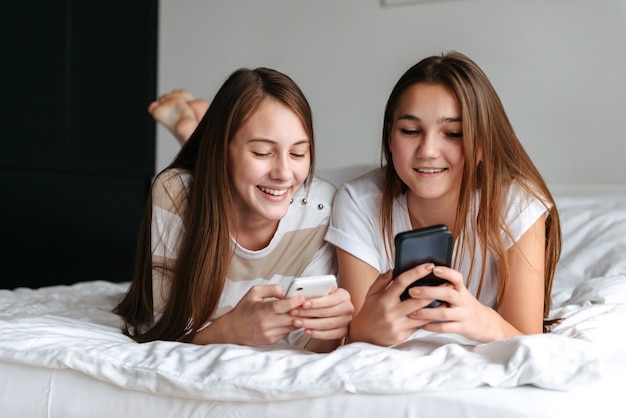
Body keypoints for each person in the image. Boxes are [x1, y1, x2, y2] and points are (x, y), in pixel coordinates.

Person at [325, 51, 562, 346]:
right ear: (389, 136)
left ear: (482, 144)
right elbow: (354, 334)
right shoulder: (358, 201)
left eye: (452, 133)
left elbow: (529, 339)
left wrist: (481, 320)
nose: (427, 150)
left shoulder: (517, 205)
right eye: (411, 131)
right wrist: (366, 331)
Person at [115, 67, 353, 353]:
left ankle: (190, 127)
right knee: (203, 188)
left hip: (227, 179)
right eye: (262, 152)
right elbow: (167, 329)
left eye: (298, 153)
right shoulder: (175, 193)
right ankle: (190, 128)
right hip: (207, 185)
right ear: (222, 150)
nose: (284, 173)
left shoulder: (320, 208)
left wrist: (330, 329)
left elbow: (308, 344)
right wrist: (231, 329)